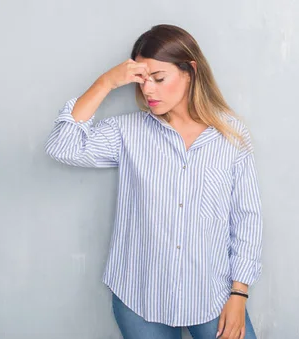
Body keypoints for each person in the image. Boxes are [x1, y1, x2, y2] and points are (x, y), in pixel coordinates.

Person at [45, 24, 263, 339]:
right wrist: (106, 82)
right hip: (139, 296)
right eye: (142, 80)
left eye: (159, 79)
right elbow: (61, 146)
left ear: (190, 71)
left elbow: (246, 219)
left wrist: (239, 294)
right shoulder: (126, 132)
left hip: (211, 295)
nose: (149, 91)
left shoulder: (231, 136)